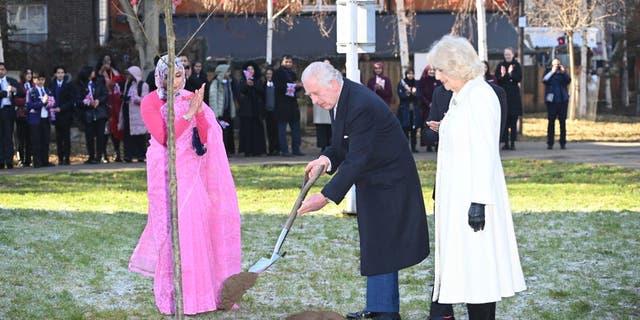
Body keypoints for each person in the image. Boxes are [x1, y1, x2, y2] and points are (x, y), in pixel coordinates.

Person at [297, 61, 429, 320]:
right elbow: (340, 146)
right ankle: (379, 307)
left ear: (332, 84)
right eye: (309, 95)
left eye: (315, 93)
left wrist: (324, 197)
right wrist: (326, 159)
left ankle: (386, 313)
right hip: (374, 181)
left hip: (391, 183)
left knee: (384, 246)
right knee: (376, 245)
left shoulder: (360, 105)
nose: (313, 100)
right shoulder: (341, 100)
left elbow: (357, 158)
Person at [129, 55, 241, 315]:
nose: (174, 81)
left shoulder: (192, 97)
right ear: (160, 77)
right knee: (170, 231)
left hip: (191, 171)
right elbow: (164, 137)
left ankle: (199, 296)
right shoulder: (150, 102)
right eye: (168, 75)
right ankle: (172, 296)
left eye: (178, 75)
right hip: (164, 172)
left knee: (194, 229)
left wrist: (199, 113)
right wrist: (189, 113)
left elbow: (203, 138)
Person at [425, 35, 526, 320]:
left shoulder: (481, 95)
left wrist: (478, 201)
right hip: (460, 198)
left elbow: (485, 150)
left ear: (456, 66)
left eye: (441, 70)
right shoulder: (462, 96)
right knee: (469, 274)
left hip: (473, 202)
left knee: (479, 275)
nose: (438, 76)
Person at [76, 66, 109, 165]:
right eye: (92, 72)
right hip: (88, 114)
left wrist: (98, 100)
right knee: (89, 137)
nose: (94, 73)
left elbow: (105, 94)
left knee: (100, 136)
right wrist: (86, 102)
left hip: (100, 113)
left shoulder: (98, 82)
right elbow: (78, 100)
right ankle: (91, 156)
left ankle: (99, 156)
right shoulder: (81, 85)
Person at [96, 54, 126, 162]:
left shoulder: (115, 71)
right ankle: (103, 154)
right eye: (105, 60)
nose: (107, 62)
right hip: (104, 104)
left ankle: (117, 152)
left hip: (115, 104)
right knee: (105, 130)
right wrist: (101, 72)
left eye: (109, 60)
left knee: (115, 130)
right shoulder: (98, 73)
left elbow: (122, 82)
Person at [273, 54, 304, 157]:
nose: (288, 64)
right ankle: (284, 150)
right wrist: (291, 86)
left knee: (295, 128)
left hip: (292, 104)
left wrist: (299, 86)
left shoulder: (292, 73)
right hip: (282, 104)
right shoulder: (277, 73)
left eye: (290, 62)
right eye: (286, 62)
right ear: (282, 62)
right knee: (282, 129)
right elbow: (278, 87)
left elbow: (296, 88)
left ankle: (296, 149)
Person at [494, 47, 523, 151]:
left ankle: (512, 143)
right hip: (504, 97)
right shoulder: (500, 65)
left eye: (509, 54)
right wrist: (503, 75)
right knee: (505, 122)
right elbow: (498, 79)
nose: (507, 56)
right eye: (505, 54)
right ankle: (505, 142)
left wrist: (510, 74)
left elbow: (518, 78)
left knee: (513, 122)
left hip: (514, 98)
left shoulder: (516, 66)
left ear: (513, 55)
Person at [26, 71, 55, 168]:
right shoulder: (31, 91)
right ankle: (37, 162)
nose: (41, 81)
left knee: (45, 141)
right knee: (36, 141)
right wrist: (42, 103)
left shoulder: (47, 90)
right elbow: (29, 105)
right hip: (35, 120)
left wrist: (50, 104)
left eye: (42, 79)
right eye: (38, 79)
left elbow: (51, 102)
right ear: (34, 80)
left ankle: (45, 161)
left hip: (45, 118)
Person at [237, 61, 266, 157]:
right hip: (246, 110)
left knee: (257, 130)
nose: (250, 71)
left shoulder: (258, 80)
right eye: (248, 69)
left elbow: (262, 91)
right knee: (246, 131)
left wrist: (254, 85)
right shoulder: (242, 80)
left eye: (252, 69)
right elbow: (240, 91)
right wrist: (247, 85)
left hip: (256, 110)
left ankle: (257, 150)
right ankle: (247, 150)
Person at [121, 66, 149, 162]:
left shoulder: (143, 85)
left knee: (139, 136)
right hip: (128, 114)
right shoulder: (127, 84)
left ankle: (141, 155)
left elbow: (145, 100)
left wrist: (137, 99)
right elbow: (125, 96)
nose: (128, 76)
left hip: (138, 115)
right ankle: (128, 155)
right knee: (128, 136)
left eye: (129, 74)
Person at [208, 63, 237, 156]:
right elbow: (213, 98)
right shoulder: (215, 83)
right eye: (227, 71)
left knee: (228, 132)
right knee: (221, 133)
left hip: (227, 111)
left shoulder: (228, 83)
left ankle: (228, 150)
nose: (229, 73)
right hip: (220, 113)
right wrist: (215, 114)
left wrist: (232, 111)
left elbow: (231, 98)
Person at [49, 66, 76, 165]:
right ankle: (60, 157)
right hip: (56, 115)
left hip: (66, 114)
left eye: (62, 72)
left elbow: (72, 100)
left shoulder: (69, 84)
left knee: (66, 138)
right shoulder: (52, 84)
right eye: (58, 72)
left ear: (64, 74)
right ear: (55, 74)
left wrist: (62, 108)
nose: (60, 74)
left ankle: (67, 157)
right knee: (58, 138)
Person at [0, 62, 25, 169]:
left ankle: (9, 160)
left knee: (8, 136)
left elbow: (22, 92)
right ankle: (1, 161)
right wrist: (5, 93)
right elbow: (3, 93)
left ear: (5, 71)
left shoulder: (11, 81)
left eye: (2, 69)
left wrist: (14, 91)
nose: (0, 71)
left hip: (8, 111)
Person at [542, 58, 571, 150]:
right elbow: (544, 80)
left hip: (562, 100)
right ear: (551, 65)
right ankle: (550, 142)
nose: (556, 66)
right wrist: (552, 72)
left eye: (558, 64)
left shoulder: (562, 74)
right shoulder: (548, 72)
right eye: (554, 65)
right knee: (551, 122)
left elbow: (568, 80)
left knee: (562, 122)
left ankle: (563, 142)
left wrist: (564, 72)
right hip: (552, 101)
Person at [396, 69, 421, 153]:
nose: (410, 75)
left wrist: (413, 93)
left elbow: (419, 95)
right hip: (404, 110)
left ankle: (414, 148)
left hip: (414, 111)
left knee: (414, 130)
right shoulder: (402, 83)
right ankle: (405, 148)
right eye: (409, 74)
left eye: (412, 74)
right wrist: (408, 93)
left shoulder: (416, 83)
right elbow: (401, 95)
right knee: (405, 130)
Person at [15, 68, 33, 167]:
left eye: (30, 73)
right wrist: (27, 100)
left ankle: (28, 160)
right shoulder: (18, 85)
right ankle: (20, 159)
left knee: (29, 139)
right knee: (21, 139)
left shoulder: (33, 85)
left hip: (31, 115)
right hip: (21, 115)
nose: (29, 75)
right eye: (27, 73)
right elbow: (16, 100)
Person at [263, 67, 279, 155]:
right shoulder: (263, 85)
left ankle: (277, 148)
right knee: (269, 132)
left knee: (276, 131)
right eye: (267, 74)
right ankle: (271, 149)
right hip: (267, 112)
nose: (269, 75)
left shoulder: (276, 85)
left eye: (270, 74)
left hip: (276, 111)